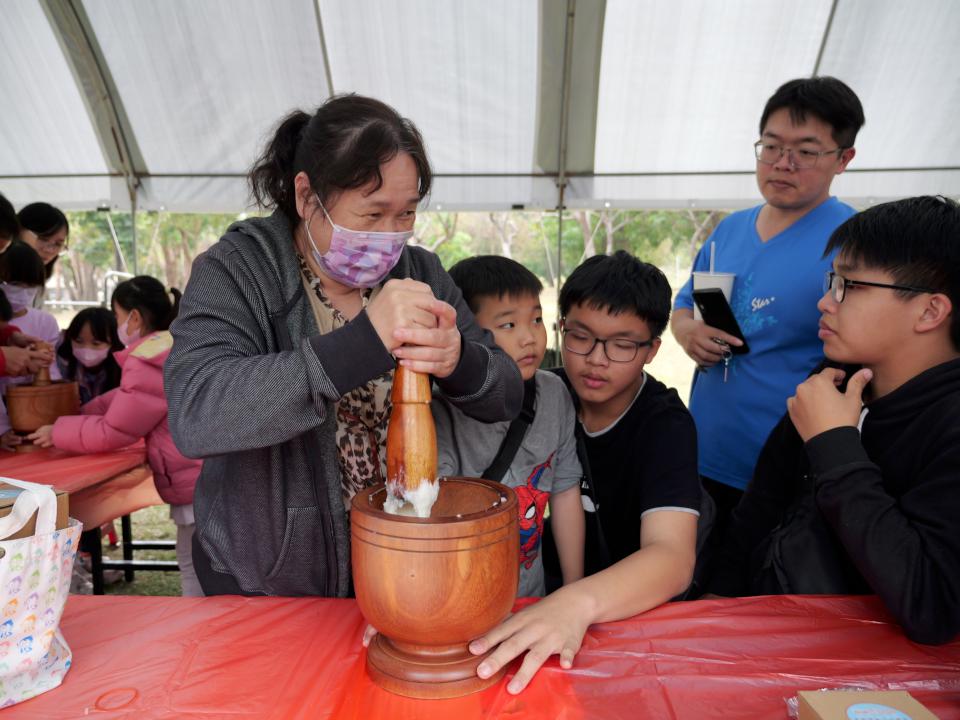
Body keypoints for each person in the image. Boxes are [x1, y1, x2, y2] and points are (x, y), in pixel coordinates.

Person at [163, 95, 522, 597]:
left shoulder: (419, 274)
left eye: (406, 214)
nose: (391, 235)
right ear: (307, 197)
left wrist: (459, 358)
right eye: (372, 214)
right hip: (267, 585)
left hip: (398, 568)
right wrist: (362, 344)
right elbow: (198, 413)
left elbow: (506, 394)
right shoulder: (240, 270)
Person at [709, 196, 960, 646]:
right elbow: (761, 505)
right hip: (778, 635)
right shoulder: (831, 379)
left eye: (849, 285)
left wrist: (836, 446)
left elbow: (931, 603)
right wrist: (715, 603)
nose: (825, 302)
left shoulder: (948, 424)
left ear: (930, 311)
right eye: (832, 281)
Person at [467, 251, 701, 693]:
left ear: (652, 349)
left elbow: (673, 558)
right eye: (581, 337)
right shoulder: (541, 393)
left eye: (622, 344)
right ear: (561, 328)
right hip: (539, 602)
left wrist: (574, 601)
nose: (596, 359)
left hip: (622, 616)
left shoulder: (664, 426)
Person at [670, 77, 865, 571]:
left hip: (784, 468)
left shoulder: (852, 244)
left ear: (844, 159)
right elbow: (686, 302)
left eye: (806, 151)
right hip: (702, 452)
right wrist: (686, 330)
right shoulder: (730, 229)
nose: (782, 163)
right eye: (772, 147)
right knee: (695, 587)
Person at [28, 276, 204, 597]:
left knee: (194, 565)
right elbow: (125, 399)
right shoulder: (169, 345)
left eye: (118, 314)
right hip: (203, 474)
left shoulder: (147, 359)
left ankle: (203, 628)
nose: (118, 321)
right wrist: (81, 412)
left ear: (134, 317)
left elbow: (115, 431)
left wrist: (58, 430)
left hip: (194, 479)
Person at [433, 255, 584, 597]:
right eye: (508, 326)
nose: (530, 338)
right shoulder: (439, 404)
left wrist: (572, 592)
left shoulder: (555, 392)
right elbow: (435, 515)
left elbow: (565, 492)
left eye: (536, 319)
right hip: (459, 598)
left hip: (530, 598)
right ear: (466, 333)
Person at [0, 241, 61, 442]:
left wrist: (10, 337)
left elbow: (50, 376)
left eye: (31, 286)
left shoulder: (43, 322)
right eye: (15, 284)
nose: (23, 292)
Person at [55, 307, 124, 404]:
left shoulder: (124, 370)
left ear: (113, 343)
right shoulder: (60, 365)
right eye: (79, 341)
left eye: (96, 343)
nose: (86, 348)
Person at [18, 202, 69, 306]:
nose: (49, 250)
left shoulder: (38, 282)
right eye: (43, 239)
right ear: (19, 232)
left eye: (58, 244)